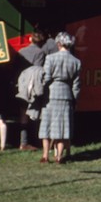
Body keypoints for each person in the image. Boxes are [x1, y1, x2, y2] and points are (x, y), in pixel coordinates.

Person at [39, 31, 82, 165]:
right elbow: (76, 85)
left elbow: (46, 78)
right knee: (63, 128)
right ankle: (59, 157)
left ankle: (45, 155)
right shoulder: (76, 61)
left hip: (51, 95)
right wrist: (74, 99)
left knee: (46, 126)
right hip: (66, 95)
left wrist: (41, 93)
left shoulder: (50, 58)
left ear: (58, 43)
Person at [14, 29, 49, 151]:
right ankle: (35, 141)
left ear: (30, 39)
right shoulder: (41, 53)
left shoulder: (21, 51)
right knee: (35, 114)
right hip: (33, 87)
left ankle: (23, 142)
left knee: (23, 115)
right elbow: (38, 70)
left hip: (21, 85)